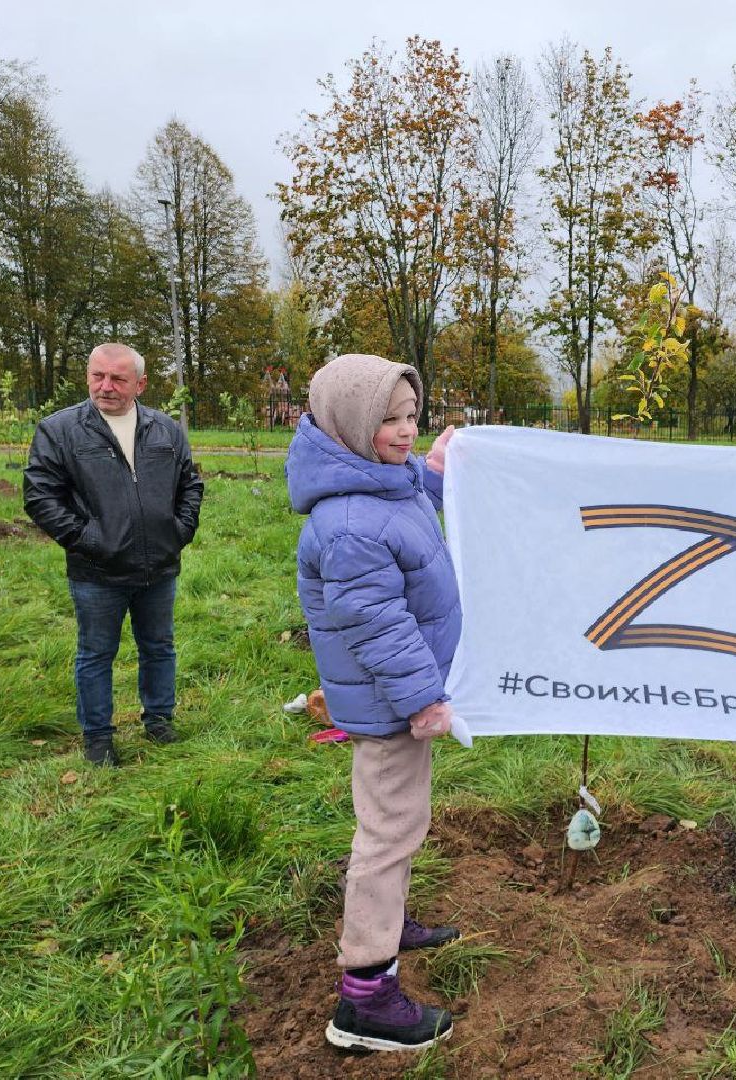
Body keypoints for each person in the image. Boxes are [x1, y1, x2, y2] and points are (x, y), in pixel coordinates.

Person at [286, 353, 461, 1053]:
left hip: (396, 701)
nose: (404, 432)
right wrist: (422, 699)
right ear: (350, 426)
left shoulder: (383, 482)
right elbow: (376, 624)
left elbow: (416, 489)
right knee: (387, 834)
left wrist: (442, 465)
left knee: (400, 822)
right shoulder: (353, 521)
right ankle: (365, 997)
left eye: (413, 417)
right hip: (392, 704)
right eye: (387, 420)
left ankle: (392, 926)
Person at [23, 344, 204, 767]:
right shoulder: (60, 430)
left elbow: (190, 483)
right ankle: (99, 738)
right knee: (95, 653)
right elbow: (40, 495)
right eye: (97, 376)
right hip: (96, 571)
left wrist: (179, 531)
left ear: (139, 384)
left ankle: (159, 719)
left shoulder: (165, 429)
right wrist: (90, 540)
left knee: (159, 646)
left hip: (159, 567)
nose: (105, 386)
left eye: (118, 379)